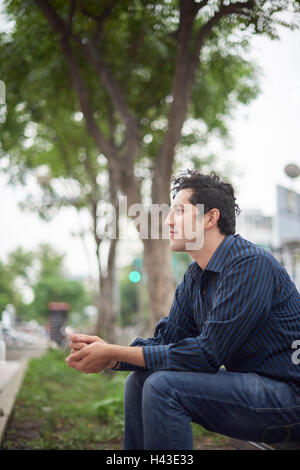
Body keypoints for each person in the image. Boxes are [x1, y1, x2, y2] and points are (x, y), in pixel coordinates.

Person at [66, 170, 300, 450]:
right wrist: (110, 356)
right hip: (252, 389)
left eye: (178, 211)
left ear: (210, 218)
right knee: (139, 382)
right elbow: (167, 342)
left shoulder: (250, 265)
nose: (167, 221)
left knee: (164, 387)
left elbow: (207, 354)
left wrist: (115, 352)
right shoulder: (195, 276)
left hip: (289, 397)